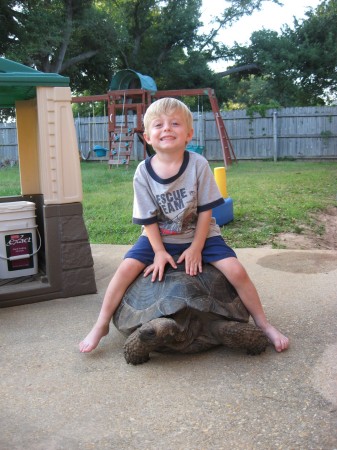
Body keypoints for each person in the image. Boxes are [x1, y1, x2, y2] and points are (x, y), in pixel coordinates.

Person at [79, 98, 289, 354]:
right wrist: (158, 251)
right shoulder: (143, 172)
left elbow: (205, 211)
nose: (166, 128)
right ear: (147, 137)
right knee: (123, 271)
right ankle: (101, 324)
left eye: (175, 123)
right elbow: (148, 219)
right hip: (158, 237)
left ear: (188, 134)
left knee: (236, 271)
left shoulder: (198, 164)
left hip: (201, 234)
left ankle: (263, 323)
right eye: (158, 125)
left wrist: (196, 247)